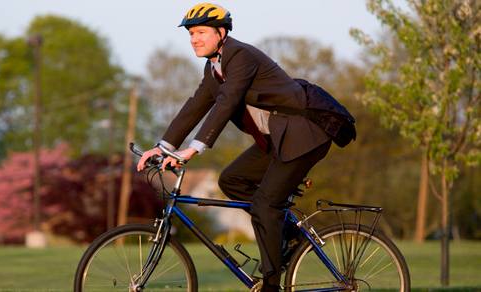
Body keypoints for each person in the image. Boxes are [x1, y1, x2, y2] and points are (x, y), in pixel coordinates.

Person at [137, 3, 349, 291]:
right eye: (190, 34)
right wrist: (162, 147)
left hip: (305, 135)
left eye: (200, 32)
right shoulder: (213, 69)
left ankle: (271, 285)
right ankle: (288, 235)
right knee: (232, 180)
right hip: (278, 138)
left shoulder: (240, 56)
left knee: (264, 204)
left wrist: (193, 149)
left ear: (221, 33)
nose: (194, 39)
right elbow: (195, 106)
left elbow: (228, 102)